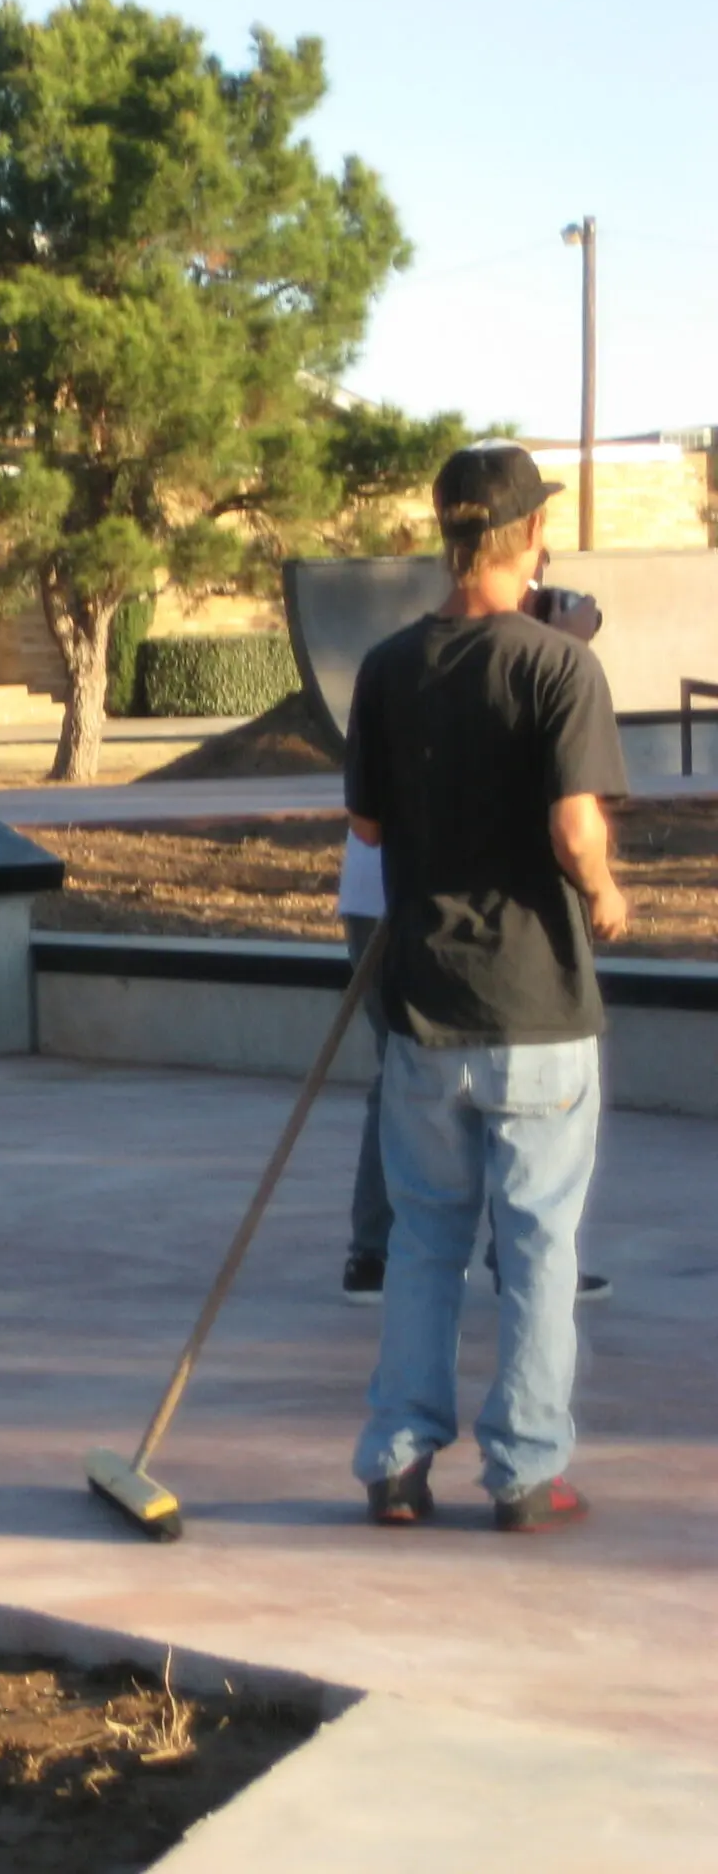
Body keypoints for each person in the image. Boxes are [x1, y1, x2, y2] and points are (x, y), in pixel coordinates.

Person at [346, 441, 629, 1534]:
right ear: (525, 538)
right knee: (539, 1244)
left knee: (423, 1241)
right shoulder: (560, 668)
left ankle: (397, 1460)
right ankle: (523, 1473)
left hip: (422, 1003)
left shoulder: (384, 667)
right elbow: (572, 825)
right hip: (536, 1007)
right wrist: (603, 890)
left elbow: (366, 826)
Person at [335, 563, 613, 1306]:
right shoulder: (519, 662)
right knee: (446, 1079)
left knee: (414, 1079)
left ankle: (395, 1250)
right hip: (419, 905)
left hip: (396, 896)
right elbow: (562, 810)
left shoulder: (416, 658)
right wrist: (570, 649)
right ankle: (400, 1249)